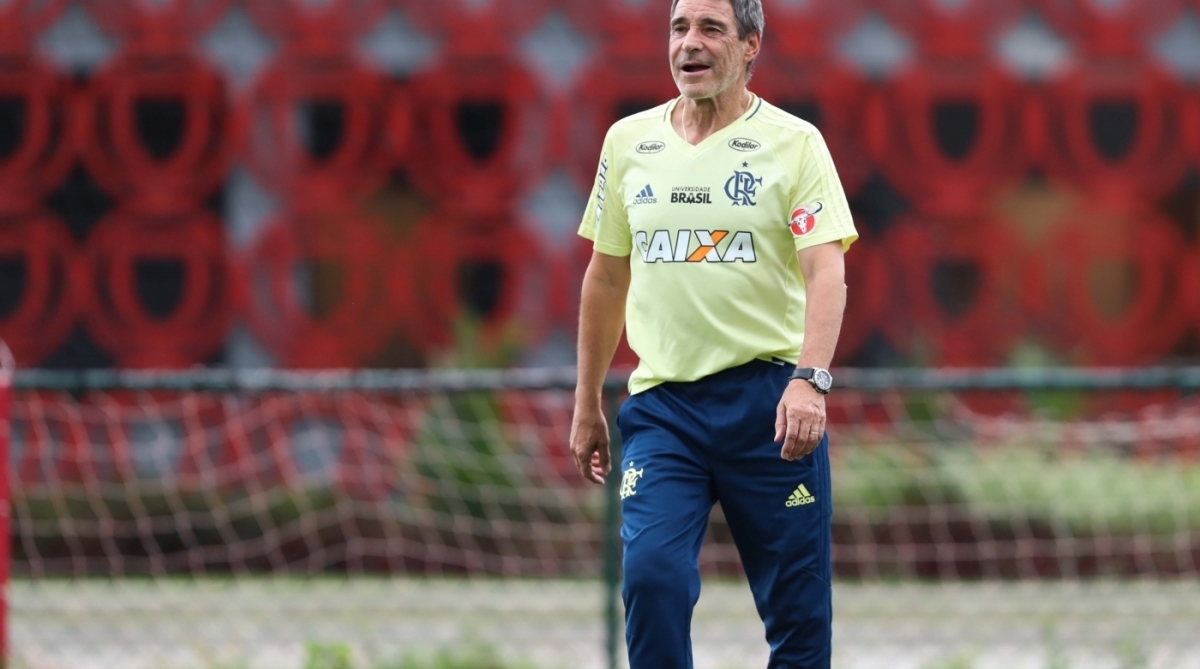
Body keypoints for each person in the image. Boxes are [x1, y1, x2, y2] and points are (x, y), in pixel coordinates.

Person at [568, 0, 857, 666]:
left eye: (710, 29)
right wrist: (587, 402)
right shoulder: (627, 143)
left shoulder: (796, 143)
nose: (689, 45)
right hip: (665, 410)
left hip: (770, 405)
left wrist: (809, 380)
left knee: (799, 615)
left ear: (751, 45)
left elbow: (826, 274)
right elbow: (606, 279)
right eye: (678, 28)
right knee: (651, 578)